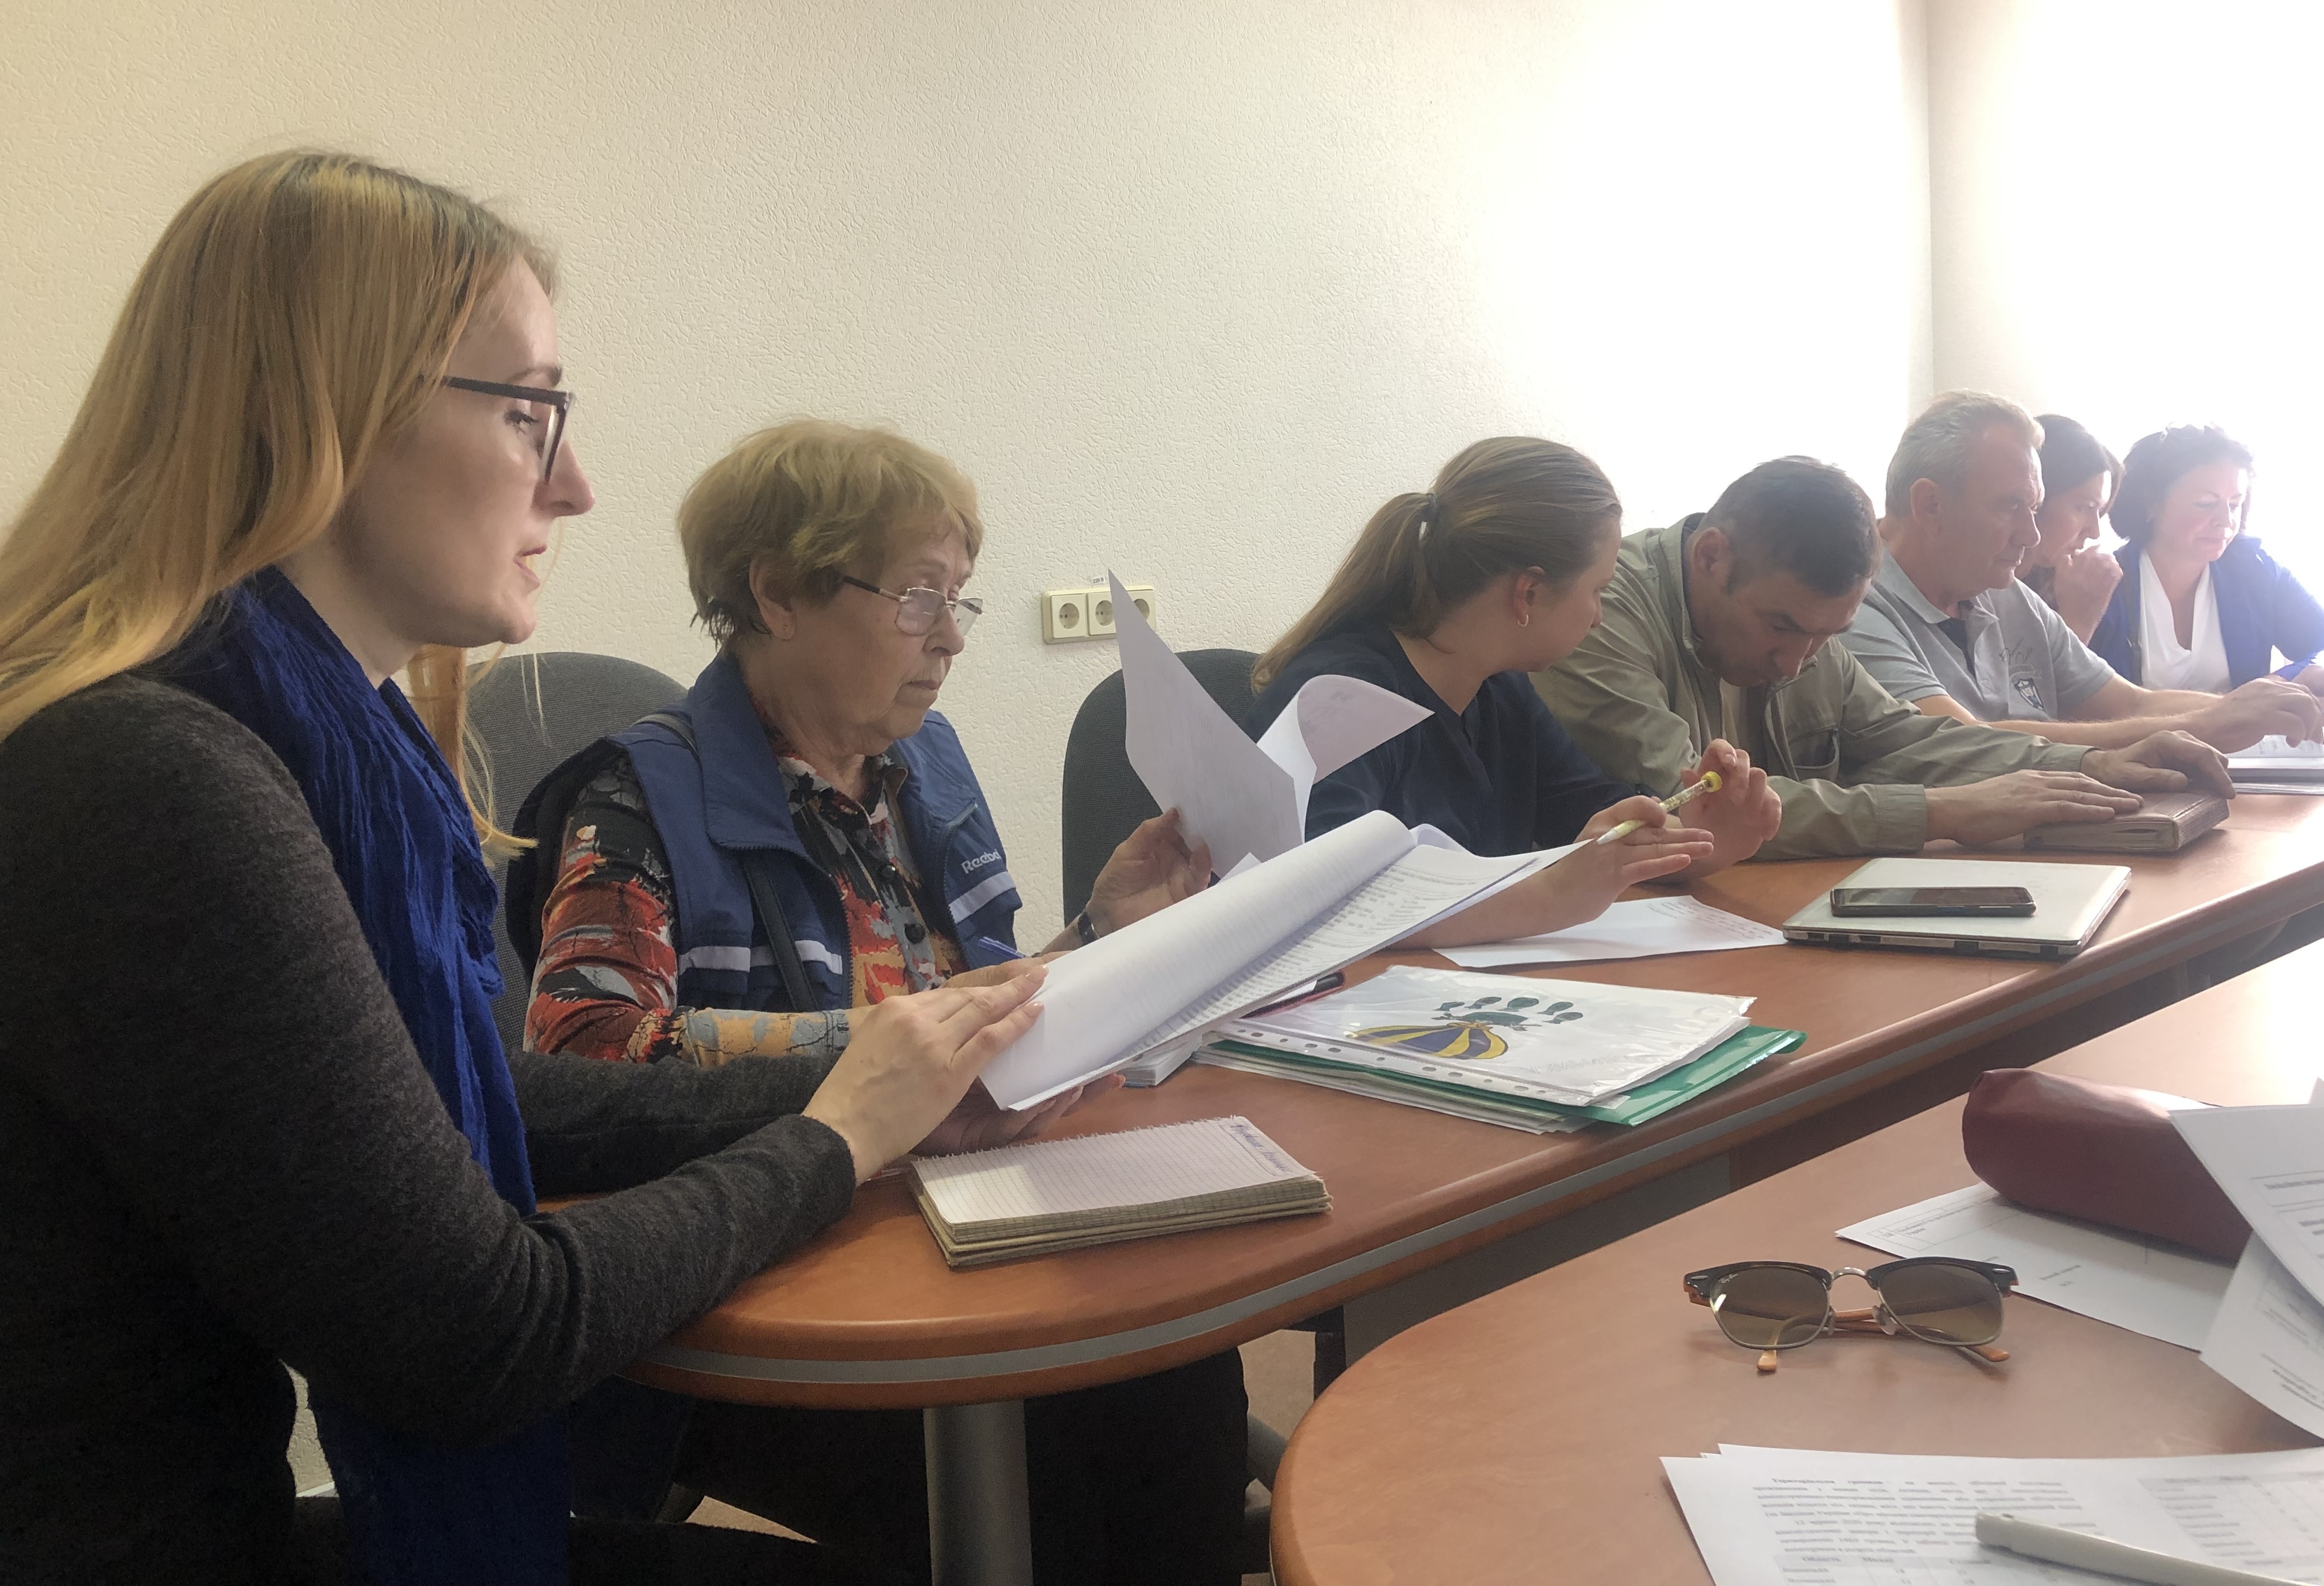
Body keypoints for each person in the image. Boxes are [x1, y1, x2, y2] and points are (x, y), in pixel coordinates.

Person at [0, 151, 1072, 1585]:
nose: (574, 484)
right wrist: (833, 1136)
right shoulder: (150, 775)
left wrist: (884, 1083)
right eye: (527, 413)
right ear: (328, 411)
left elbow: (468, 1101)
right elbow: (476, 1334)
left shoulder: (290, 738)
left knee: (1102, 1443)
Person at [507, 420, 1244, 1585]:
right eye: (918, 596)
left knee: (1181, 1376)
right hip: (757, 1279)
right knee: (1050, 1505)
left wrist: (1099, 934)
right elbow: (585, 1057)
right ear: (777, 593)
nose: (951, 636)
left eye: (960, 598)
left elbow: (964, 1011)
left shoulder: (923, 764)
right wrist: (880, 1055)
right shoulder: (639, 795)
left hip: (955, 1213)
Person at [1534, 455, 2233, 858]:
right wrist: (1942, 812)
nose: (1794, 664)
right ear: (1711, 556)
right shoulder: (1599, 613)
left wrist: (2086, 764)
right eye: (1780, 627)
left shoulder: (1809, 629)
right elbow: (1692, 805)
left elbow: (1904, 735)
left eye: (1825, 636)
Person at [1243, 436, 1780, 945]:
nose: (1598, 617)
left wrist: (1712, 840)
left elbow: (1593, 826)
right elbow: (1323, 897)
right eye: (1597, 590)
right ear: (1528, 593)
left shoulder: (1499, 688)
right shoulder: (1340, 694)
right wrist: (1551, 895)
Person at [1843, 393, 2323, 752]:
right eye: (2010, 507)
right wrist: (2205, 724)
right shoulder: (1854, 607)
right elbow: (1961, 742)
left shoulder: (1998, 589)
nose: (2031, 535)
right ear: (1930, 505)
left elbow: (2127, 702)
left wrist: (2260, 704)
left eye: (2034, 508)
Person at [2089, 425, 2324, 720]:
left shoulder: (2254, 569)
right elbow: (2083, 701)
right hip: (2139, 745)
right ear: (2151, 503)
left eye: (2235, 504)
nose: (2226, 520)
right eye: (2206, 504)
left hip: (2247, 747)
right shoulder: (2104, 583)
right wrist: (2249, 700)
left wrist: (2284, 682)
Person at [2023, 413, 2122, 641]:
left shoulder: (2065, 585)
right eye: (2084, 507)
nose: (2094, 532)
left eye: (2100, 511)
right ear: (2037, 498)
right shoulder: (1983, 590)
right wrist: (2078, 622)